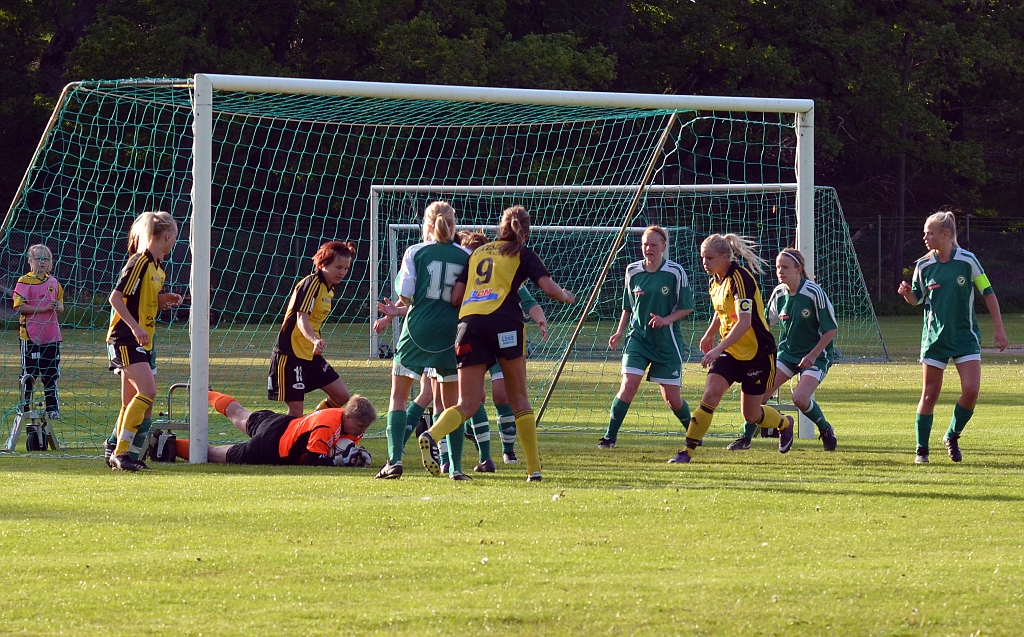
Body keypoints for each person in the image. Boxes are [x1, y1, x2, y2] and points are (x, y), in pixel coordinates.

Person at [417, 205, 575, 482]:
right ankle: (533, 470)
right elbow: (549, 289)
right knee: (519, 399)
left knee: (466, 402)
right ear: (525, 231)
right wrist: (568, 297)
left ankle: (433, 433)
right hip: (505, 323)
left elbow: (455, 297)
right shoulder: (521, 252)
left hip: (469, 325)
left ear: (499, 227)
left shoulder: (478, 252)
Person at [668, 233, 792, 464]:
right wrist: (711, 333)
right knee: (710, 394)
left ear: (725, 256)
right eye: (702, 257)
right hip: (731, 352)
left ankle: (785, 423)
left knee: (752, 415)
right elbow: (722, 310)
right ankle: (687, 451)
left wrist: (716, 349)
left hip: (757, 354)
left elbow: (744, 322)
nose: (704, 262)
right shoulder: (715, 279)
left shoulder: (740, 278)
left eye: (710, 257)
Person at [898, 211, 1008, 464]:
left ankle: (952, 435)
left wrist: (999, 328)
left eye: (930, 232)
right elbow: (917, 299)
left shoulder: (968, 261)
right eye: (925, 232)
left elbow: (988, 292)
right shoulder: (923, 265)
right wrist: (906, 294)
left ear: (946, 235)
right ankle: (921, 451)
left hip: (965, 337)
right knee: (930, 394)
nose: (925, 237)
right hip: (935, 339)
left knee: (971, 391)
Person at [374, 201, 471, 480]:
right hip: (452, 333)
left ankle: (394, 461)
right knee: (452, 403)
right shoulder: (466, 255)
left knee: (399, 396)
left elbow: (406, 294)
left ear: (426, 226)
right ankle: (454, 467)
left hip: (417, 330)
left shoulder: (415, 252)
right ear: (454, 225)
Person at [451, 230, 551, 473]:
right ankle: (484, 455)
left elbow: (529, 301)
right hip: (485, 333)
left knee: (499, 394)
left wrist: (539, 318)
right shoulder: (474, 271)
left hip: (486, 332)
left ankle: (507, 450)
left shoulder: (503, 274)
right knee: (476, 400)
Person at [727, 248, 839, 452]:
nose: (780, 271)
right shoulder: (778, 294)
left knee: (800, 398)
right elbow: (764, 324)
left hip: (817, 355)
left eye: (785, 267)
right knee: (758, 396)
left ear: (798, 269)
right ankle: (745, 438)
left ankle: (825, 429)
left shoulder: (813, 293)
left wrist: (813, 355)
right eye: (778, 267)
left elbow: (831, 329)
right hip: (788, 354)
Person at [601, 226, 693, 449]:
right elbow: (628, 307)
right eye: (645, 244)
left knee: (672, 398)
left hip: (666, 342)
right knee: (629, 385)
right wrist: (620, 331)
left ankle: (694, 433)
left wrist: (666, 319)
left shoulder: (675, 272)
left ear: (663, 246)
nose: (648, 248)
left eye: (653, 244)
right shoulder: (632, 271)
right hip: (638, 339)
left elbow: (686, 307)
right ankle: (609, 437)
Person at [106, 211, 182, 471]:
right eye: (174, 240)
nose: (174, 244)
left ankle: (117, 449)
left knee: (132, 402)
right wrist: (136, 327)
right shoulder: (139, 261)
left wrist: (163, 300)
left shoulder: (158, 267)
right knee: (147, 393)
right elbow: (115, 299)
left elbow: (141, 301)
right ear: (167, 236)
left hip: (143, 339)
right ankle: (121, 452)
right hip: (126, 337)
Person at [269, 241, 355, 417]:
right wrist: (315, 339)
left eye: (346, 268)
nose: (342, 272)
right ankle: (291, 441)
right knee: (295, 412)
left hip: (309, 354)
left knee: (341, 395)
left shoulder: (328, 289)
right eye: (338, 267)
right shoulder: (312, 283)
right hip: (290, 354)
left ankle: (310, 425)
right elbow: (301, 319)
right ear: (323, 264)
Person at [179, 391, 376, 465]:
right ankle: (166, 444)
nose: (362, 431)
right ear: (348, 416)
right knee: (213, 454)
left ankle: (202, 390)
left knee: (238, 412)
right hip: (272, 447)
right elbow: (312, 459)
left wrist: (356, 454)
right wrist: (340, 461)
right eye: (360, 426)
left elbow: (345, 446)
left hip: (281, 423)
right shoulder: (328, 424)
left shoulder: (345, 421)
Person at [13, 244, 65, 419]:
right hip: (30, 336)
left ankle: (52, 408)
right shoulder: (23, 282)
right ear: (30, 261)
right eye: (38, 258)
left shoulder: (54, 282)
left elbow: (61, 305)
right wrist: (42, 309)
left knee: (51, 374)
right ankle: (24, 406)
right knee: (29, 374)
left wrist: (58, 307)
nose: (42, 262)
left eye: (46, 259)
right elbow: (19, 306)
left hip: (51, 335)